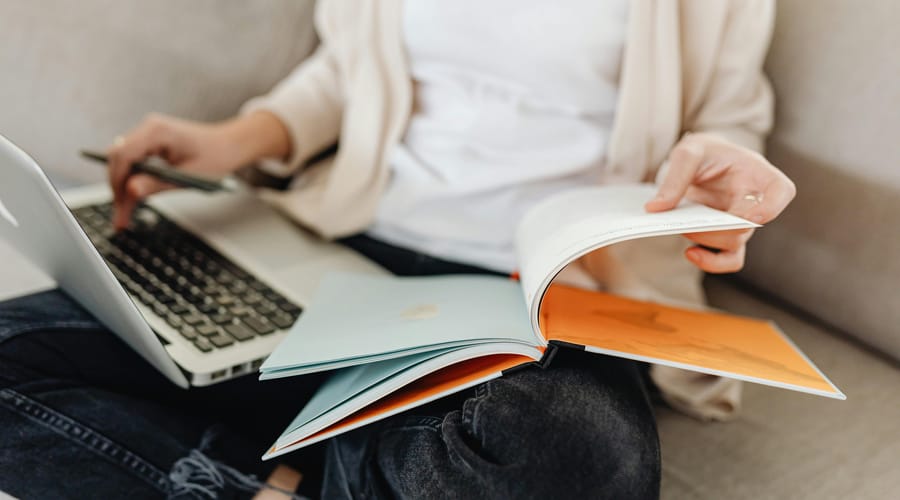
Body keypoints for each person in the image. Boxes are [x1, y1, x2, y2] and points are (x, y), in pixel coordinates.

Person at [0, 1, 795, 498]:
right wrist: (229, 141)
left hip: (537, 295)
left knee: (579, 453)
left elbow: (729, 121)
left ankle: (310, 461)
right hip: (345, 252)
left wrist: (724, 186)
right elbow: (348, 74)